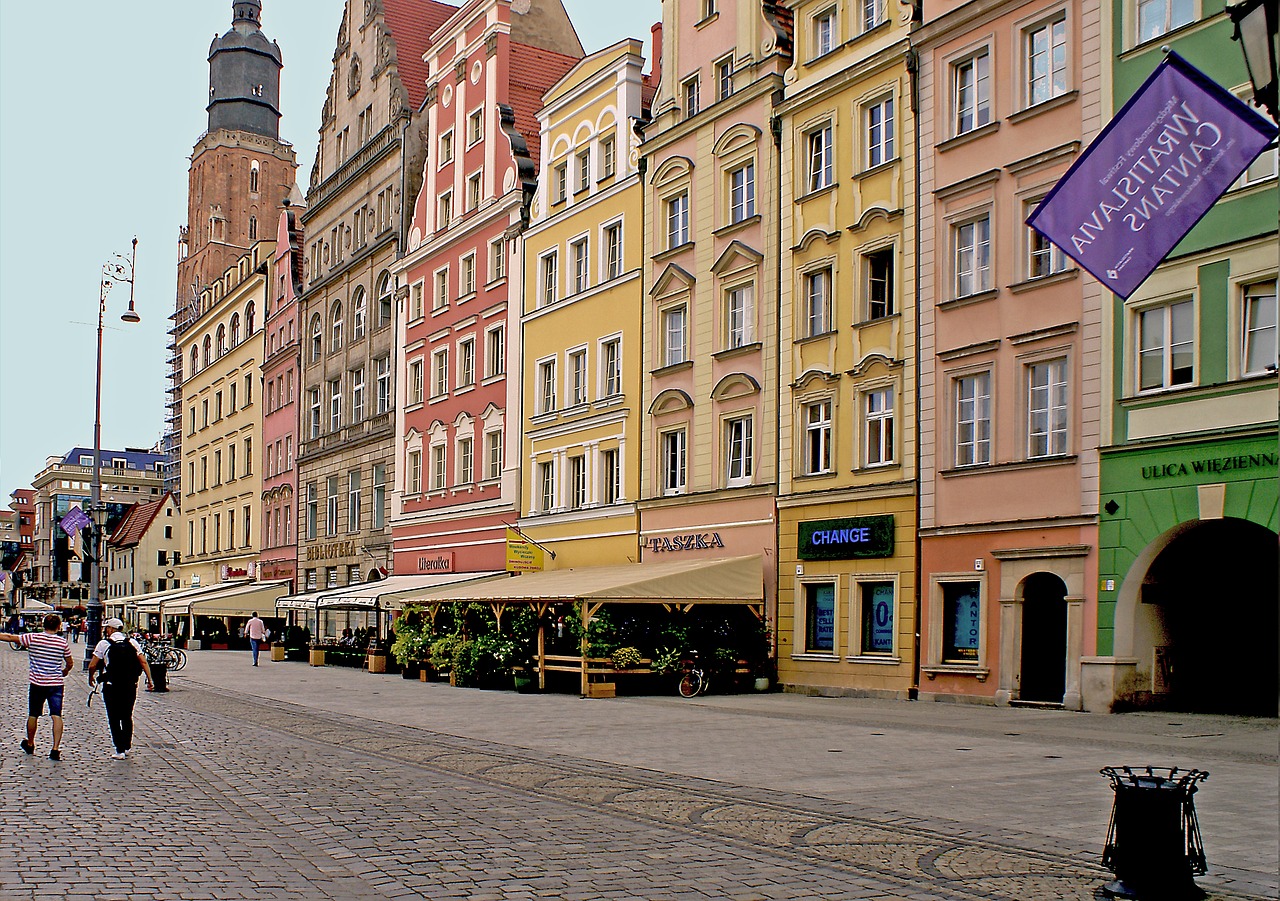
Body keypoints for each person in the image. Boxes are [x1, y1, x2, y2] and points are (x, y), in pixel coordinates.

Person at [0, 613, 74, 760]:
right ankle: (55, 749)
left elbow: (9, 637)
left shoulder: (33, 638)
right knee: (56, 715)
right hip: (55, 683)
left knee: (33, 714)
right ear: (59, 626)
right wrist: (65, 671)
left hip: (37, 683)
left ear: (43, 625)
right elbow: (70, 662)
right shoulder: (62, 643)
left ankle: (31, 743)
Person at [87, 618, 153, 760]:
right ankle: (127, 745)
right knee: (127, 715)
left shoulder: (104, 644)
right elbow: (142, 661)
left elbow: (92, 664)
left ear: (110, 629)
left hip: (111, 686)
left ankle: (119, 749)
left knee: (114, 717)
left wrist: (91, 677)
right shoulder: (132, 642)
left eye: (107, 628)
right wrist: (150, 679)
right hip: (130, 685)